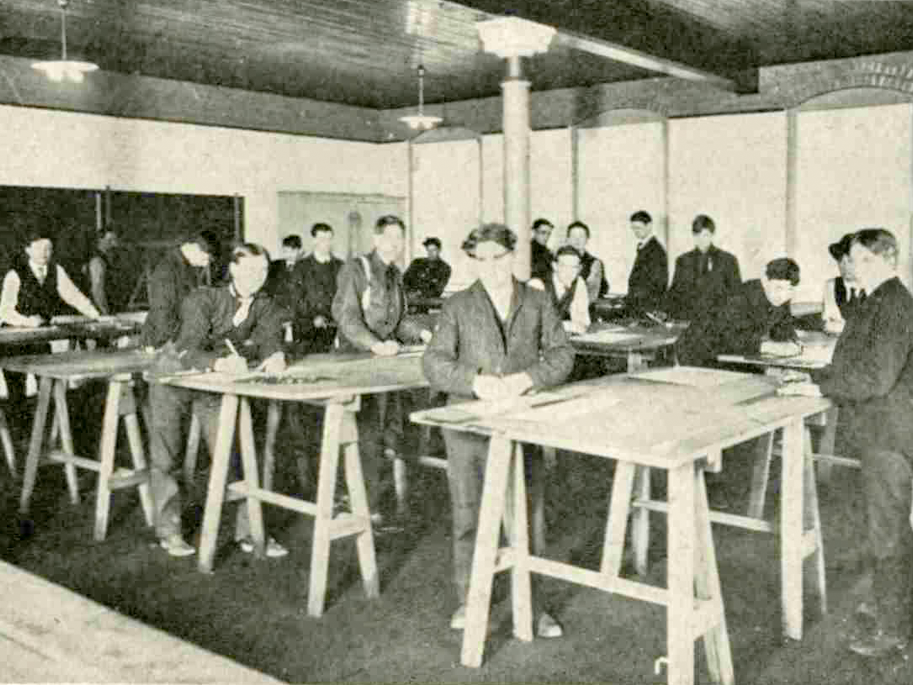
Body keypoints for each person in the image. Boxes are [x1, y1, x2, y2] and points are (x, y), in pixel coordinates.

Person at [423, 222, 574, 638]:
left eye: (499, 257)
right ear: (473, 261)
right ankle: (471, 601)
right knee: (468, 514)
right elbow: (433, 362)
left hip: (521, 422)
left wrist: (528, 378)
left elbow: (563, 354)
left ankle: (535, 605)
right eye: (482, 259)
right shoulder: (457, 305)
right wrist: (476, 382)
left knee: (530, 516)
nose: (491, 266)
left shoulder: (537, 300)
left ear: (512, 256)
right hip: (468, 424)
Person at [779, 229, 913, 657]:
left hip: (889, 436)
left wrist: (819, 388)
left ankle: (892, 630)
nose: (853, 268)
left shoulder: (893, 304)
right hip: (881, 431)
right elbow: (853, 362)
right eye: (852, 260)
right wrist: (812, 379)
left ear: (884, 260)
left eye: (861, 259)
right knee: (886, 528)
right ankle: (891, 607)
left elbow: (875, 377)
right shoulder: (875, 300)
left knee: (888, 531)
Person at [148, 243, 289, 558]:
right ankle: (169, 531)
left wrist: (275, 355)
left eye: (263, 270)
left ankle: (250, 531)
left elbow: (270, 338)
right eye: (250, 269)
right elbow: (188, 348)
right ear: (234, 268)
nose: (257, 276)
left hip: (212, 383)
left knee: (236, 453)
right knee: (166, 456)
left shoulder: (265, 304)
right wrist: (220, 362)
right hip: (173, 376)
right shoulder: (203, 298)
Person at [332, 215, 432, 528]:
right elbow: (346, 317)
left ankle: (380, 502)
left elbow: (398, 321)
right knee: (366, 433)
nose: (394, 244)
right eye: (388, 238)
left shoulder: (395, 274)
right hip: (357, 363)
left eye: (399, 238)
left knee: (389, 430)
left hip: (385, 365)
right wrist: (374, 345)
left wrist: (424, 333)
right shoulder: (356, 269)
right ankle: (364, 505)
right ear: (376, 239)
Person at [0, 228, 100, 434]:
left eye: (49, 248)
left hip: (39, 338)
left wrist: (96, 316)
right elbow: (4, 311)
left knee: (45, 382)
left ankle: (43, 432)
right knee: (16, 388)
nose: (46, 253)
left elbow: (74, 296)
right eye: (40, 248)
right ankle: (19, 434)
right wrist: (28, 322)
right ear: (28, 250)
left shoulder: (56, 270)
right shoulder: (15, 274)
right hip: (13, 339)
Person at [675, 257, 801, 368]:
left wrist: (792, 342)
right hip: (698, 352)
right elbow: (728, 338)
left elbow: (783, 328)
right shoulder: (740, 297)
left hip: (729, 355)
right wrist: (767, 347)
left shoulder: (781, 298)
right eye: (778, 288)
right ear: (765, 281)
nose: (783, 295)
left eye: (790, 289)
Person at [141, 231, 217, 349]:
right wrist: (176, 345)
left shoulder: (185, 266)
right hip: (163, 343)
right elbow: (162, 313)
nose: (205, 264)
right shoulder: (167, 270)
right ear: (195, 247)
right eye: (205, 259)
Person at [664, 214, 741, 321]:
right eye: (697, 235)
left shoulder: (728, 260)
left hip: (717, 321)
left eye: (705, 235)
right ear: (693, 236)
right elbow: (675, 292)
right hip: (688, 320)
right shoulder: (683, 260)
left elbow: (736, 295)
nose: (701, 240)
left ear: (712, 235)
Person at [295, 223, 344, 355]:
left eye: (329, 239)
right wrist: (313, 318)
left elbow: (345, 295)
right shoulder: (301, 267)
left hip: (335, 327)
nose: (326, 243)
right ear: (314, 240)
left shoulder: (340, 266)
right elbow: (297, 298)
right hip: (309, 330)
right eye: (322, 239)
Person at [529, 245, 590, 334]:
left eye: (574, 267)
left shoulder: (578, 283)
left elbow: (582, 323)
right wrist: (566, 325)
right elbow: (531, 324)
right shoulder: (537, 284)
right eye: (565, 266)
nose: (569, 272)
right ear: (555, 266)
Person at [626, 210, 668, 316]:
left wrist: (634, 298)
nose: (635, 232)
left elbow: (658, 283)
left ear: (649, 226)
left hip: (647, 307)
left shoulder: (656, 250)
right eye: (633, 228)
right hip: (640, 306)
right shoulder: (645, 247)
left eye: (638, 228)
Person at [822, 232, 863, 336]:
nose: (844, 267)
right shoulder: (831, 285)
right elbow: (829, 325)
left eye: (850, 261)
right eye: (840, 261)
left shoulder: (874, 287)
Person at [267, 234, 307, 320]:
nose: (289, 255)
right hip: (276, 311)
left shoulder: (306, 267)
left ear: (300, 251)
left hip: (297, 313)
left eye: (292, 251)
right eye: (285, 251)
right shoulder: (274, 266)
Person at [566, 221, 608, 301]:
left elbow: (597, 291)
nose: (577, 240)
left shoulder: (594, 263)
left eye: (581, 236)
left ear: (587, 239)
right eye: (573, 236)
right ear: (567, 239)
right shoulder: (558, 260)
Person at [84, 228, 120, 315]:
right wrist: (105, 312)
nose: (114, 244)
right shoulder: (98, 261)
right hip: (99, 312)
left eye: (115, 240)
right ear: (100, 241)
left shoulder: (107, 260)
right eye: (110, 240)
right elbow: (97, 290)